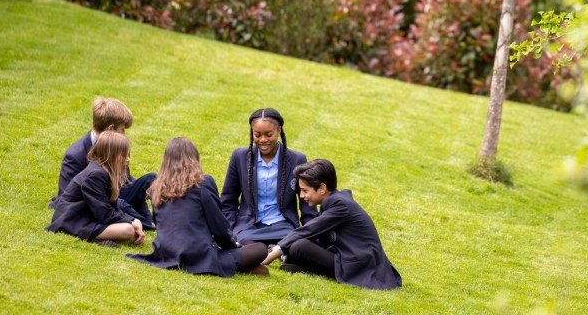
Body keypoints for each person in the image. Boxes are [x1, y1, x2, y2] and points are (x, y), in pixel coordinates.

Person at [127, 137, 269, 276]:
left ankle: (245, 265)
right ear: (194, 158)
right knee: (260, 249)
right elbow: (219, 227)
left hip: (166, 253)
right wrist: (233, 245)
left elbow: (160, 223)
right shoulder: (203, 183)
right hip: (198, 256)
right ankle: (241, 266)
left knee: (247, 246)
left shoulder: (156, 187)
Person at [262, 159, 402, 290]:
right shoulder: (333, 201)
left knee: (299, 246)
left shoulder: (340, 205)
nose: (302, 196)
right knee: (298, 245)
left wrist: (274, 253)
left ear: (322, 188)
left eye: (305, 191)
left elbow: (309, 230)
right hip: (346, 256)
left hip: (361, 266)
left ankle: (297, 264)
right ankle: (298, 265)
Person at [50, 97, 156, 230]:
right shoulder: (75, 154)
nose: (124, 134)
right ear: (111, 129)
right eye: (122, 130)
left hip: (116, 195)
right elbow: (64, 197)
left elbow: (127, 182)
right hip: (97, 201)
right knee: (120, 203)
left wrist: (149, 218)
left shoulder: (115, 148)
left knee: (152, 179)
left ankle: (160, 220)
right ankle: (147, 226)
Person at [220, 108, 317, 245]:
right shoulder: (240, 157)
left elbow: (307, 203)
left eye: (269, 134)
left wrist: (311, 234)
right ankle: (272, 250)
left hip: (283, 225)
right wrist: (229, 231)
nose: (263, 140)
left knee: (294, 244)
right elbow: (228, 201)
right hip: (249, 226)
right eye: (257, 135)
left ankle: (279, 249)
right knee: (247, 246)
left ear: (279, 130)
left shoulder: (297, 159)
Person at [47, 131, 146, 247]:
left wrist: (133, 219)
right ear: (111, 155)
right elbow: (104, 213)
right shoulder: (96, 175)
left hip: (89, 215)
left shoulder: (106, 171)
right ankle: (94, 238)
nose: (128, 159)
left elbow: (111, 207)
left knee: (132, 226)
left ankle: (102, 236)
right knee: (127, 230)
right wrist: (131, 222)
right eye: (123, 155)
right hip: (73, 220)